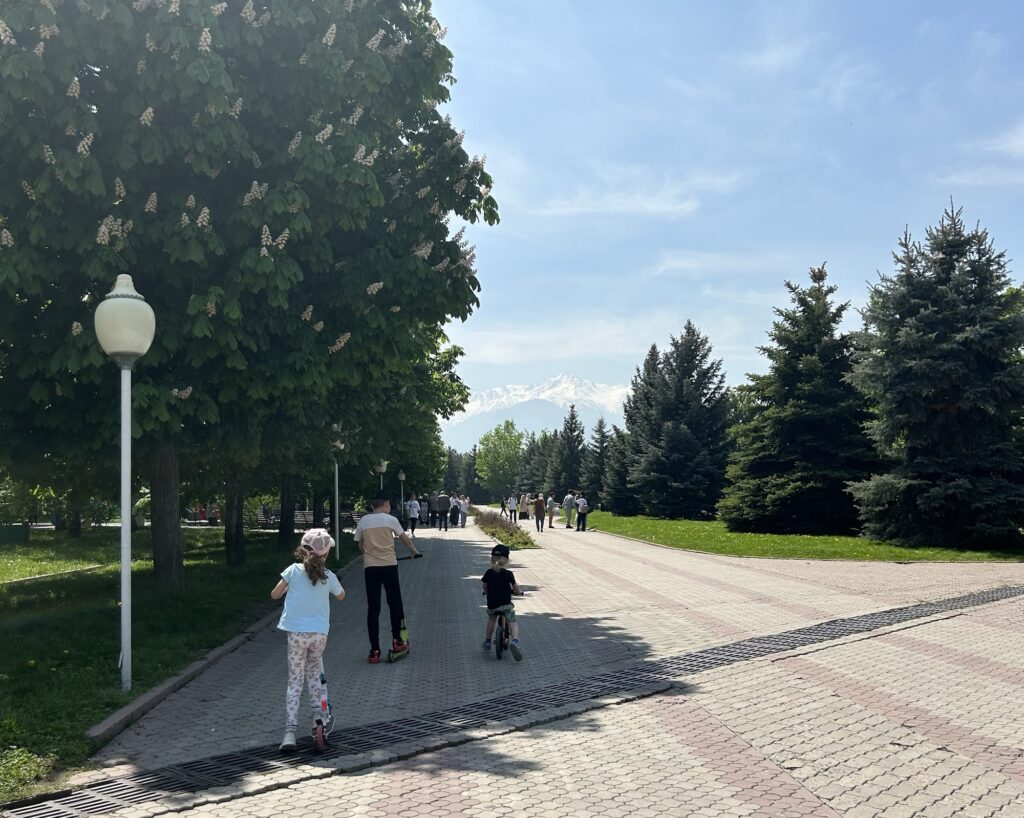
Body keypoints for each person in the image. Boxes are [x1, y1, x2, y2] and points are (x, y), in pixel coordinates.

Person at [270, 528, 346, 752]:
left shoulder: (293, 571)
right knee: (314, 675)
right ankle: (318, 720)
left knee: (295, 680)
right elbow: (341, 596)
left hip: (296, 633)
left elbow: (274, 594)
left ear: (303, 550)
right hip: (319, 634)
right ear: (326, 554)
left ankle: (290, 732)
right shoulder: (328, 576)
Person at [353, 496, 421, 663]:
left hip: (370, 568)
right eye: (389, 504)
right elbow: (403, 537)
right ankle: (397, 639)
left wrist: (367, 553)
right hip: (389, 565)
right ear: (385, 504)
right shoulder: (390, 519)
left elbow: (359, 544)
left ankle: (374, 649)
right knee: (395, 603)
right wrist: (413, 550)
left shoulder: (364, 521)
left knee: (373, 608)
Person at [481, 543, 523, 661]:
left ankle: (488, 641)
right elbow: (515, 588)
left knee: (491, 620)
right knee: (513, 622)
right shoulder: (508, 574)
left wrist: (486, 591)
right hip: (506, 605)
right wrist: (518, 593)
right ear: (507, 560)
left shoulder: (489, 572)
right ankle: (515, 641)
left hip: (492, 605)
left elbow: (485, 585)